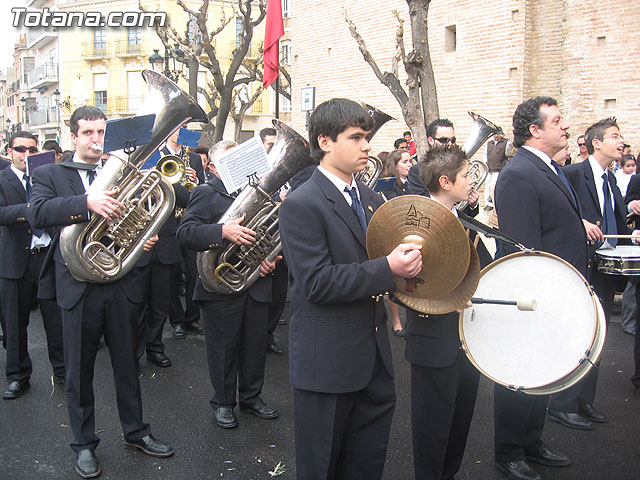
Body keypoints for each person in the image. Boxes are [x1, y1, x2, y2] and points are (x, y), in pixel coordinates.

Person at [278, 98, 423, 479]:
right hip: (327, 364)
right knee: (322, 468)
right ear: (325, 142)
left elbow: (383, 269)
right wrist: (389, 268)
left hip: (373, 361)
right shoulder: (301, 204)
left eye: (367, 137)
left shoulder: (373, 199)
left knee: (365, 465)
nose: (367, 146)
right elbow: (316, 283)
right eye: (356, 137)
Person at [27, 106, 173, 478]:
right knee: (79, 371)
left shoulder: (127, 173)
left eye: (100, 132)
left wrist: (144, 236)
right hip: (77, 287)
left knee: (128, 363)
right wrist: (84, 203)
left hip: (120, 282)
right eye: (88, 132)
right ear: (73, 135)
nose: (95, 140)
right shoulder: (50, 174)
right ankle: (84, 444)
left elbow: (140, 216)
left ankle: (136, 431)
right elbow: (38, 213)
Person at [494, 96, 585, 480]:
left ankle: (531, 440)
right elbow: (521, 246)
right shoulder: (518, 173)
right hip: (534, 296)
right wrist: (540, 295)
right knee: (522, 373)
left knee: (543, 373)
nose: (565, 126)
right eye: (558, 120)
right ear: (535, 130)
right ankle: (509, 450)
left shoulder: (548, 168)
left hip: (557, 292)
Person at [177, 140, 280, 429]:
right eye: (230, 160)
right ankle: (223, 402)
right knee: (224, 348)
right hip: (220, 285)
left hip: (255, 280)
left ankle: (251, 397)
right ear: (212, 166)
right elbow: (186, 234)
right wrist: (222, 231)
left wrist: (269, 259)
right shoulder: (205, 193)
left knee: (255, 345)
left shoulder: (260, 193)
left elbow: (271, 234)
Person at [405, 144, 485, 480]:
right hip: (433, 338)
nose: (472, 181)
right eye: (466, 176)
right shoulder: (418, 221)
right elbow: (406, 285)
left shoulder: (458, 217)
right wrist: (451, 296)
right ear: (445, 182)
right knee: (432, 425)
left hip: (465, 338)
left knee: (460, 418)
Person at [556, 117, 632, 431]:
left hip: (605, 268)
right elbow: (559, 214)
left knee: (598, 338)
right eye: (615, 136)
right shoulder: (573, 173)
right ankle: (562, 405)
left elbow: (611, 221)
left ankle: (585, 400)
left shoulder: (612, 180)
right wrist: (579, 224)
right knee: (578, 337)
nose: (622, 142)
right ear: (596, 143)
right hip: (581, 267)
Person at [0, 131, 65, 399]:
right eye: (20, 149)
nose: (26, 154)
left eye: (32, 149)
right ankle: (17, 376)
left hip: (47, 256)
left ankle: (62, 371)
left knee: (56, 320)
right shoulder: (2, 179)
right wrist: (32, 209)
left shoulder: (46, 177)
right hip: (15, 260)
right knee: (15, 324)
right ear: (9, 150)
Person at [160, 124, 205, 339]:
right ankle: (176, 320)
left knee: (193, 272)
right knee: (171, 275)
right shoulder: (159, 156)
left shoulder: (194, 158)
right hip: (167, 222)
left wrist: (195, 180)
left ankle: (192, 318)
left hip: (188, 220)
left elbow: (203, 189)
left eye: (185, 127)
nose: (181, 131)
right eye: (177, 126)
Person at [382, 149, 413, 337]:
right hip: (393, 235)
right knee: (394, 282)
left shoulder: (409, 184)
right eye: (405, 162)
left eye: (410, 161)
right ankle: (396, 321)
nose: (409, 164)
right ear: (395, 165)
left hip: (408, 234)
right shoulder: (387, 185)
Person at [484, 133, 513, 210]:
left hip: (498, 169)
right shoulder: (489, 143)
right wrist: (486, 163)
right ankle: (487, 203)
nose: (496, 136)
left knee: (493, 187)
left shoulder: (506, 142)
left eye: (498, 134)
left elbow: (509, 154)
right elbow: (485, 154)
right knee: (487, 186)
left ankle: (493, 204)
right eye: (495, 134)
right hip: (489, 169)